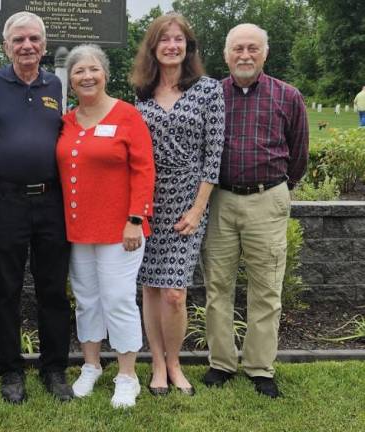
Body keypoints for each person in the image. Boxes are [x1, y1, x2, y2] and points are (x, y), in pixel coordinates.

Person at [0, 11, 74, 404]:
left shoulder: (57, 85)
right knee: (6, 290)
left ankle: (54, 369)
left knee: (52, 289)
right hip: (6, 201)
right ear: (6, 46)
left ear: (44, 46)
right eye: (18, 40)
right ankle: (11, 371)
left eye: (34, 39)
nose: (27, 46)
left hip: (51, 201)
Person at [201, 23, 308, 398]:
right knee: (218, 286)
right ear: (226, 55)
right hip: (220, 201)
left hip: (267, 199)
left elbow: (299, 154)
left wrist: (277, 189)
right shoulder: (210, 95)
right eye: (237, 49)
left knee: (266, 287)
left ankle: (260, 367)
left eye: (252, 49)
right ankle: (222, 363)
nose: (244, 55)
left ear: (265, 53)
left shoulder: (288, 95)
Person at [130, 13, 224, 396]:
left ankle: (174, 362)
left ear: (188, 47)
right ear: (153, 47)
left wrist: (199, 207)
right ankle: (155, 362)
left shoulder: (208, 90)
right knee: (151, 288)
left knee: (175, 292)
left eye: (179, 39)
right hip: (148, 201)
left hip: (188, 201)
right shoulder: (139, 93)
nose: (172, 45)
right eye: (164, 39)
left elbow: (213, 154)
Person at [56, 45, 155, 408]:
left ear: (105, 74)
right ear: (71, 78)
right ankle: (92, 365)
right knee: (87, 301)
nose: (86, 76)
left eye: (93, 69)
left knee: (117, 299)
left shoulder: (127, 116)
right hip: (79, 230)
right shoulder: (66, 121)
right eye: (79, 70)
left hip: (120, 231)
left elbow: (144, 170)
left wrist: (135, 219)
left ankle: (127, 376)